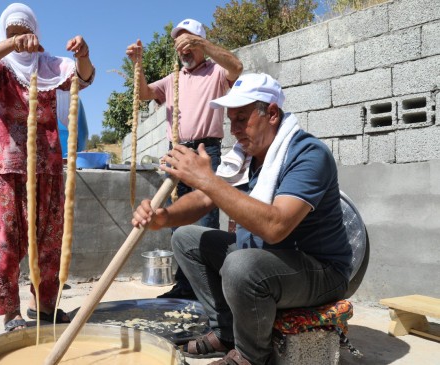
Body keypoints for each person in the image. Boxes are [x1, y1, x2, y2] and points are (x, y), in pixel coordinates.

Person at [132, 73, 352, 365]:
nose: (234, 130)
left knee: (240, 265)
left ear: (271, 113)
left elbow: (275, 227)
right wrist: (163, 217)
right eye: (230, 120)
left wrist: (207, 180)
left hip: (320, 270)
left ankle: (250, 356)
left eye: (242, 119)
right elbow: (203, 198)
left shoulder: (309, 154)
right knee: (185, 238)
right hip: (270, 259)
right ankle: (226, 333)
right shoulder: (245, 156)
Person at [0, 3, 95, 332]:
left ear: (36, 33)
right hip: (2, 168)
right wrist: (10, 45)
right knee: (5, 243)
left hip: (46, 168)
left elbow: (83, 77)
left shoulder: (49, 66)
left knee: (49, 242)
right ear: (3, 35)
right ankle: (11, 314)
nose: (20, 38)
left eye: (25, 32)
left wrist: (82, 54)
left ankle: (46, 306)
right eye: (12, 32)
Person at [126, 19, 243, 300]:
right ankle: (185, 286)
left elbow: (236, 68)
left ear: (201, 44)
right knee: (178, 222)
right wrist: (138, 63)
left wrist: (202, 43)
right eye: (180, 44)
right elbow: (144, 93)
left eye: (190, 43)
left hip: (205, 152)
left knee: (204, 221)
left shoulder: (216, 72)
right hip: (176, 152)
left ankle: (208, 291)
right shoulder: (174, 78)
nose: (184, 50)